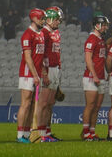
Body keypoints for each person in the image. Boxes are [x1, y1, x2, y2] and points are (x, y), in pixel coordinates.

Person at [16, 8, 48, 144]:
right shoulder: (27, 35)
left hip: (36, 74)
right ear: (34, 19)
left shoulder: (40, 34)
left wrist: (43, 74)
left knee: (33, 104)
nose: (44, 21)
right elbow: (28, 58)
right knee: (26, 103)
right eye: (41, 18)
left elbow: (40, 58)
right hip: (27, 74)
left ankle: (28, 133)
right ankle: (19, 135)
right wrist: (35, 75)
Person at [81, 15, 109, 142]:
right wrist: (95, 75)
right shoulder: (91, 39)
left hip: (101, 76)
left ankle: (92, 131)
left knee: (97, 106)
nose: (105, 27)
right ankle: (86, 133)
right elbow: (88, 59)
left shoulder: (101, 39)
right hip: (92, 77)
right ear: (96, 25)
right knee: (90, 105)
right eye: (103, 25)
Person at [41, 7, 64, 141]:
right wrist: (44, 72)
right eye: (56, 20)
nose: (58, 22)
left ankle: (47, 131)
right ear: (49, 19)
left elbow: (57, 53)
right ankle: (41, 132)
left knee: (50, 103)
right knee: (44, 103)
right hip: (48, 68)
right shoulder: (44, 32)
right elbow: (41, 54)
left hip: (55, 68)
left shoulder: (56, 33)